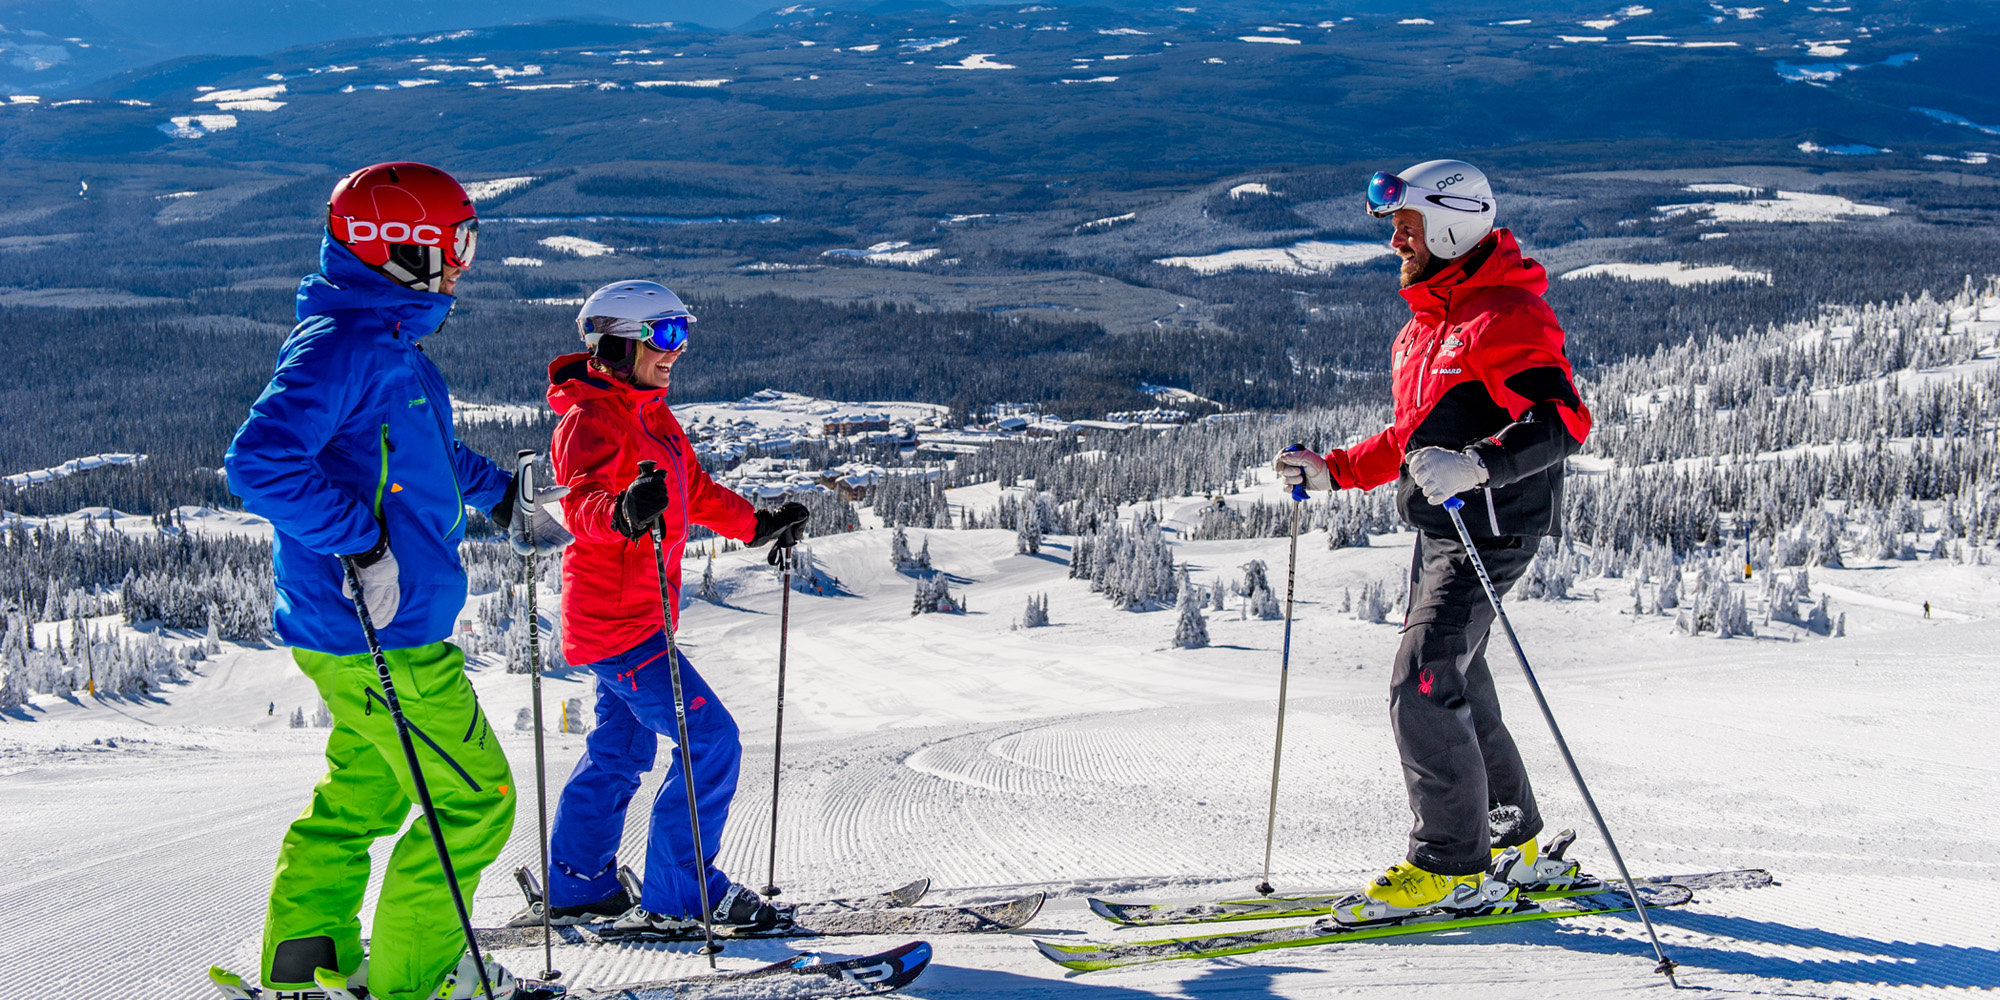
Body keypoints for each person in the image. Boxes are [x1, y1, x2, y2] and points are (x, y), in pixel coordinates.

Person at [225, 161, 566, 1000]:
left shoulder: (385, 341)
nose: (462, 265)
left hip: (359, 632)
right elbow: (259, 462)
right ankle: (420, 983)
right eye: (452, 247)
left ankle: (303, 967)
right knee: (475, 802)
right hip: (385, 635)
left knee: (362, 797)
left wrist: (496, 497)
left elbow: (422, 456)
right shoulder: (344, 344)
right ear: (399, 251)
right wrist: (362, 546)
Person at [1273, 160, 1593, 923]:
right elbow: (1411, 438)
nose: (1395, 243)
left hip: (1491, 526)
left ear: (1451, 224)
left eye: (1406, 227)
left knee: (1421, 678)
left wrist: (1483, 464)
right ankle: (1510, 841)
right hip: (1443, 526)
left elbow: (1563, 420)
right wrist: (1334, 473)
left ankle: (1451, 866)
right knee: (1457, 678)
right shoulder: (1424, 327)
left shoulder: (1504, 314)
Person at [541, 280, 810, 938]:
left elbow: (695, 491)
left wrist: (756, 526)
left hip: (630, 622)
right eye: (662, 337)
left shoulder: (652, 415)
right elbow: (579, 506)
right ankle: (680, 895)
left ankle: (579, 883)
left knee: (620, 747)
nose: (676, 350)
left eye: (682, 335)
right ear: (616, 343)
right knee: (710, 739)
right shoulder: (590, 419)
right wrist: (623, 513)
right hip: (618, 626)